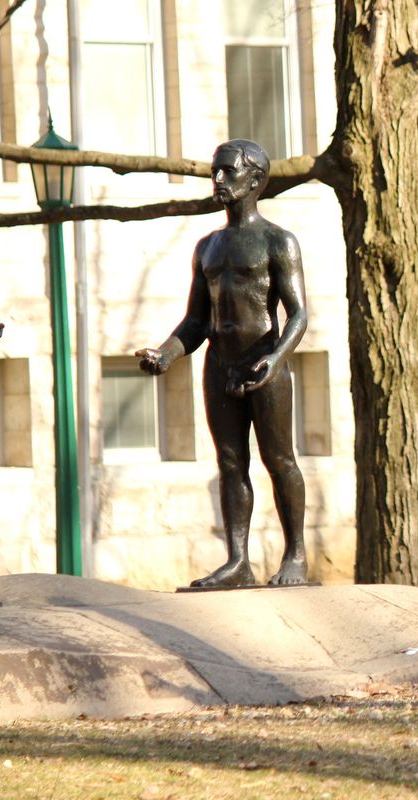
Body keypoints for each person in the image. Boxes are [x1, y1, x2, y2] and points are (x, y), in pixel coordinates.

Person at [137, 139, 309, 589]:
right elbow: (196, 321)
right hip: (220, 365)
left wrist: (276, 357)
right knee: (231, 463)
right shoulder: (207, 247)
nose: (218, 180)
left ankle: (296, 555)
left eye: (227, 172)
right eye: (215, 171)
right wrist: (166, 354)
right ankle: (238, 561)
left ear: (255, 180)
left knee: (279, 460)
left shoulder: (278, 241)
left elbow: (299, 313)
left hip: (264, 365)